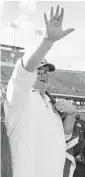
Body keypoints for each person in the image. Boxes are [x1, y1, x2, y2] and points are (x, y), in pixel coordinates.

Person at [4, 5, 76, 177]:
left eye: (47, 71)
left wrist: (72, 113)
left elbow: (65, 138)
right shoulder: (19, 98)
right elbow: (23, 71)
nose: (44, 73)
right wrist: (47, 42)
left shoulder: (53, 105)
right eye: (40, 69)